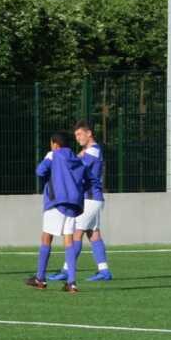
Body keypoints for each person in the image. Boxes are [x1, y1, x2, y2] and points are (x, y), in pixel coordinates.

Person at [26, 131, 87, 294]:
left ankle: (40, 279)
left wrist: (49, 161)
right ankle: (72, 283)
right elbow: (85, 177)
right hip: (73, 204)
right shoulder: (76, 159)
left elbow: (40, 171)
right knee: (69, 241)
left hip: (56, 201)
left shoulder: (53, 155)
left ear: (55, 144)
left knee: (46, 237)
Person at [51, 121, 112, 283]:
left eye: (79, 134)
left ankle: (66, 270)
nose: (77, 138)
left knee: (75, 234)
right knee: (93, 234)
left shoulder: (93, 150)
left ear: (89, 133)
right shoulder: (88, 151)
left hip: (90, 198)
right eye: (76, 135)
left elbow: (77, 167)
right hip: (92, 198)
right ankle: (104, 270)